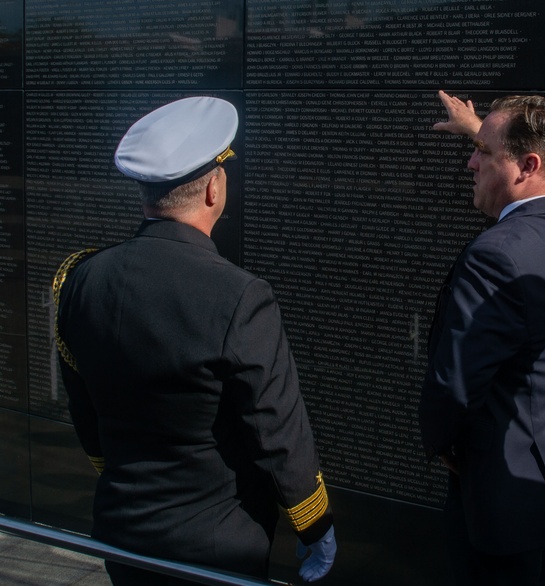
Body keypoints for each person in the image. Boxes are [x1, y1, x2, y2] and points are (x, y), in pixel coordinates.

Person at [53, 97, 337, 585]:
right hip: (215, 547)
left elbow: (84, 409)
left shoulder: (79, 278)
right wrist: (314, 522)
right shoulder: (240, 296)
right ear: (213, 188)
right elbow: (276, 430)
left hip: (122, 531)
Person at [419, 91, 545, 585]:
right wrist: (479, 129)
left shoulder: (497, 257)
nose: (470, 162)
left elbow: (456, 384)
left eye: (483, 153)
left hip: (503, 509)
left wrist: (442, 441)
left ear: (528, 166)